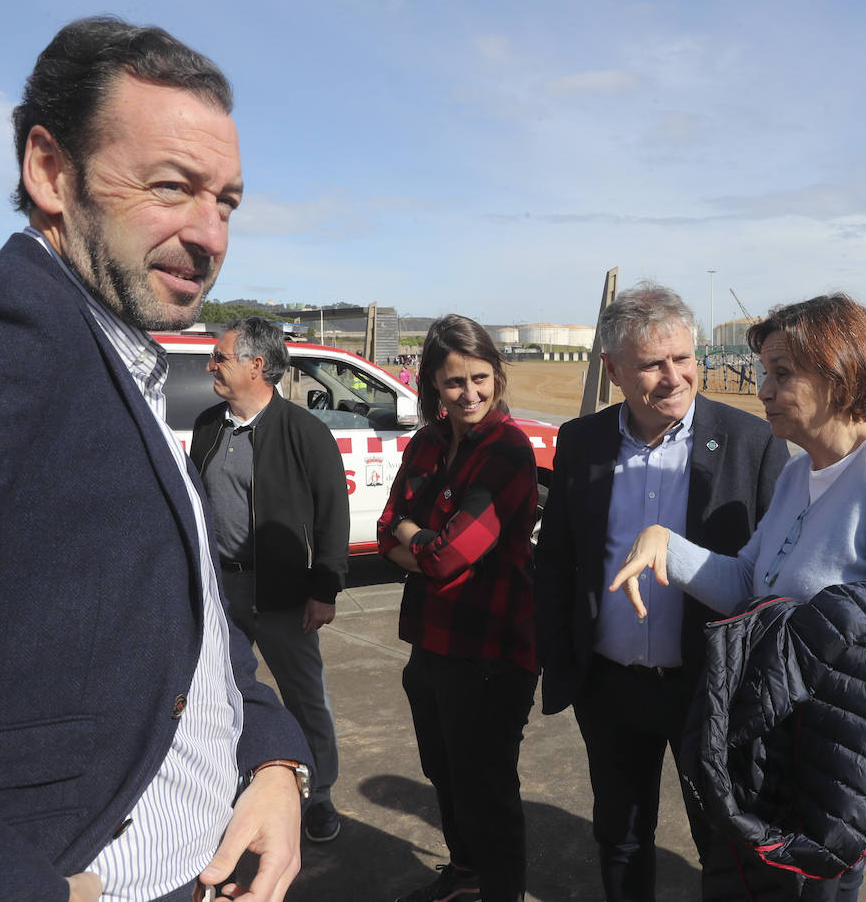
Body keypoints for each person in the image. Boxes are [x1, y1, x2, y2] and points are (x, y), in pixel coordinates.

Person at [0, 17, 310, 902]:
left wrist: (273, 759)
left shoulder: (124, 359)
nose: (211, 236)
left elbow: (184, 620)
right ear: (51, 171)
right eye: (173, 187)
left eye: (227, 200)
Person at [612, 293, 866, 900]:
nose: (762, 390)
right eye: (764, 373)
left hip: (831, 768)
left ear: (839, 378)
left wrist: (814, 649)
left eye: (782, 374)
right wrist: (664, 546)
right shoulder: (797, 472)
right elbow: (748, 587)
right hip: (779, 748)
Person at [535, 283, 789, 902]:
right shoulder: (581, 442)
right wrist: (564, 660)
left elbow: (772, 578)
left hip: (709, 691)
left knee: (722, 843)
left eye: (684, 357)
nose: (675, 377)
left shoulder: (750, 444)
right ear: (613, 369)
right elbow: (558, 561)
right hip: (610, 687)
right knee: (620, 838)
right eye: (653, 363)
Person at [377, 315, 539, 902]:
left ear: (497, 376)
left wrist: (413, 539)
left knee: (487, 789)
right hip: (431, 639)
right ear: (433, 387)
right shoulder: (425, 443)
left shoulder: (509, 451)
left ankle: (501, 892)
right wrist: (421, 538)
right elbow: (382, 526)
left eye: (479, 378)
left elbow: (447, 557)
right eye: (453, 383)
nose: (469, 394)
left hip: (491, 649)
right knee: (442, 771)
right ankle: (465, 873)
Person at [191, 315, 351, 843]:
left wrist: (324, 590)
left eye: (220, 356)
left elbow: (333, 514)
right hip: (222, 591)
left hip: (282, 593)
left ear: (256, 365)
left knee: (305, 697)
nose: (211, 364)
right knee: (223, 693)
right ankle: (239, 785)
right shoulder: (210, 425)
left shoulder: (304, 431)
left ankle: (320, 794)